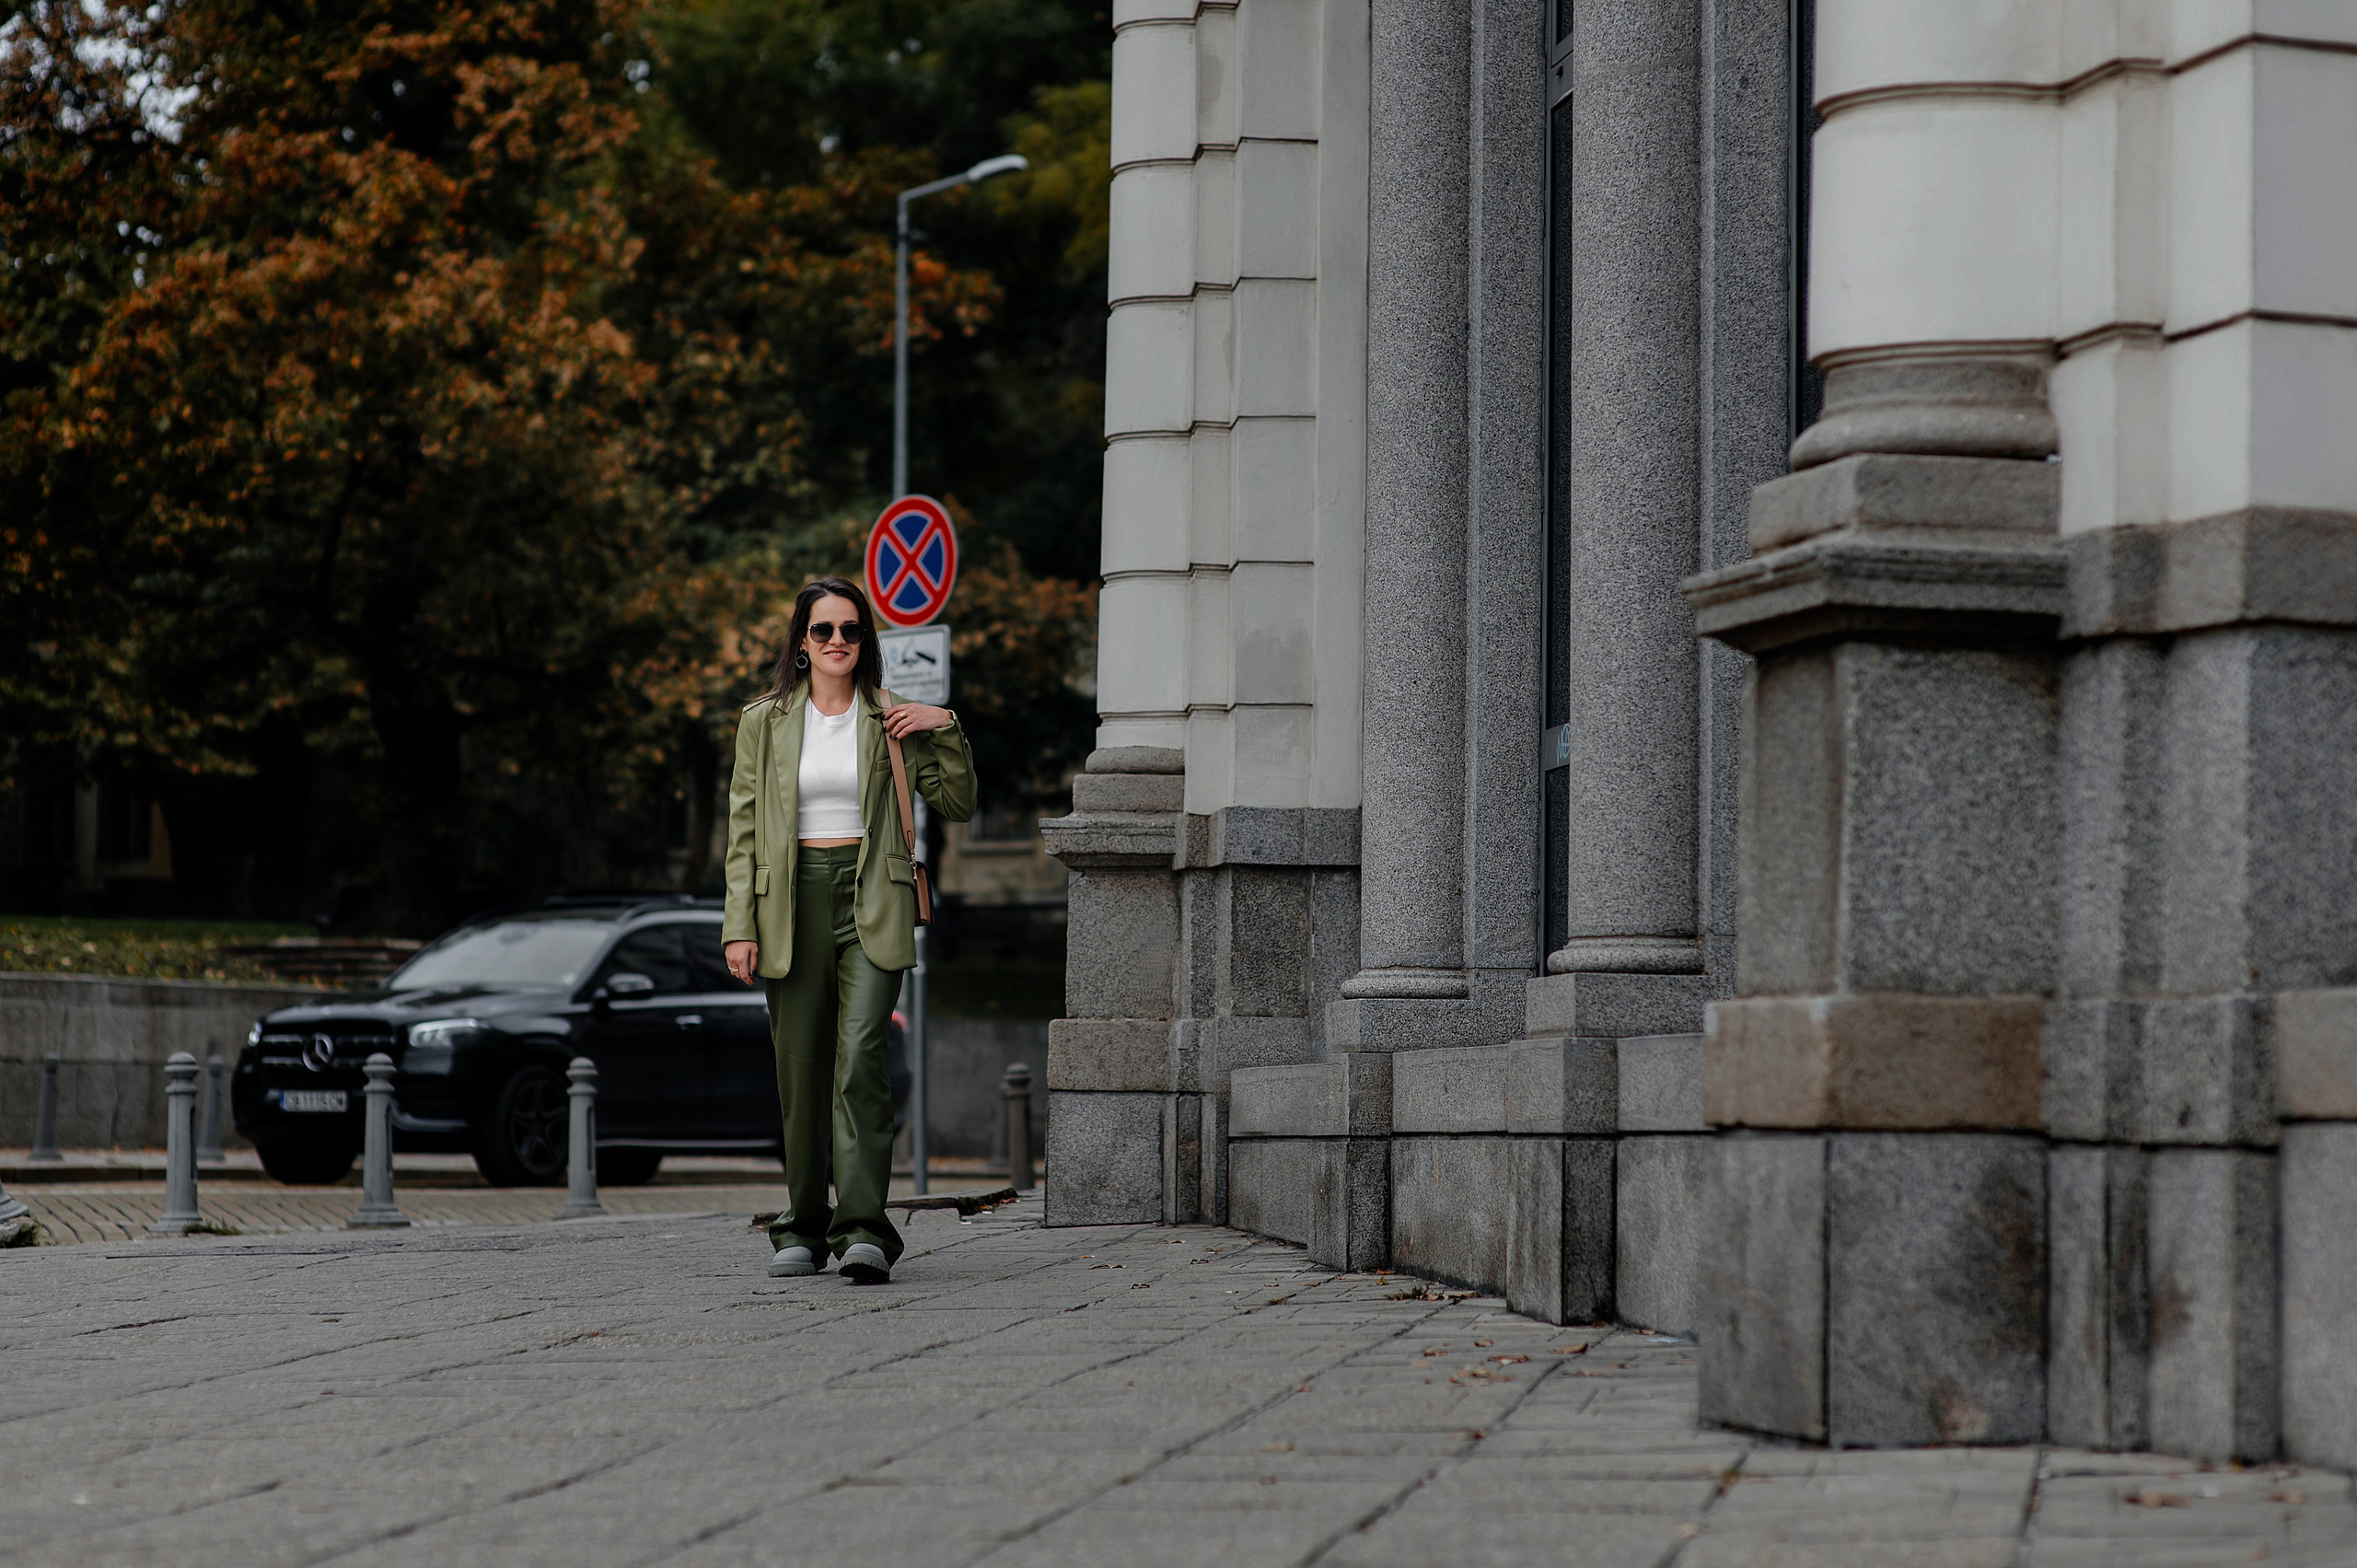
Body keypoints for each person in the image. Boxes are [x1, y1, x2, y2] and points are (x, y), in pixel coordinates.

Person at [723, 576, 974, 1283]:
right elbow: (742, 832)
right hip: (790, 900)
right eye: (824, 630)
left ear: (866, 643)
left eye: (851, 631)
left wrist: (945, 725)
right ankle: (800, 1227)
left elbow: (956, 801)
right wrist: (738, 924)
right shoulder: (763, 721)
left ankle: (862, 1227)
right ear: (801, 642)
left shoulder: (892, 716)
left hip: (874, 897)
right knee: (800, 1071)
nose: (838, 641)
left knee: (862, 1054)